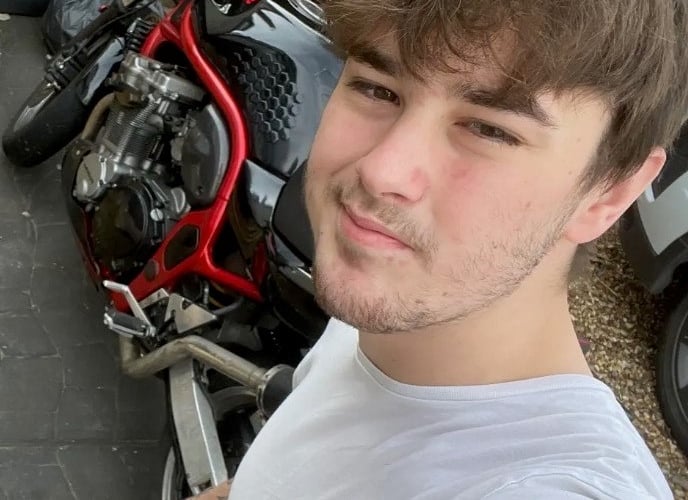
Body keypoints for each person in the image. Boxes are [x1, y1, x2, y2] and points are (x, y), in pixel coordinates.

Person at [226, 0, 688, 498]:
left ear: (609, 194)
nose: (381, 171)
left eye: (489, 130)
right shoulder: (395, 312)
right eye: (376, 88)